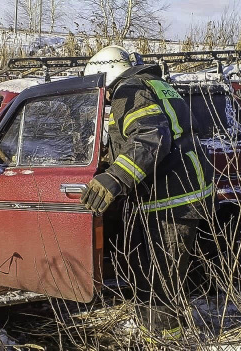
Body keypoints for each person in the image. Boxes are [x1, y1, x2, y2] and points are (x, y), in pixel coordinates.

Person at [79, 45, 213, 342]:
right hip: (185, 189)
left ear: (107, 74)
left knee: (157, 280)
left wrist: (113, 178)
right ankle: (165, 332)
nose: (107, 98)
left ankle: (165, 340)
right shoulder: (154, 84)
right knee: (164, 273)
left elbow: (151, 138)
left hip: (172, 197)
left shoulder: (130, 91)